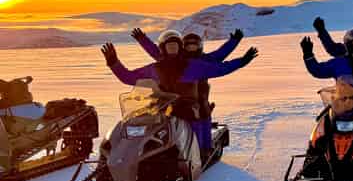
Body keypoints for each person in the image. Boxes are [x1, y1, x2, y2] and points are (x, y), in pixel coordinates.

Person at [101, 30, 258, 160]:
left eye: (175, 47)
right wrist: (114, 62)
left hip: (188, 105)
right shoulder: (157, 67)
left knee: (195, 116)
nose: (172, 50)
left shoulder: (193, 66)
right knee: (148, 122)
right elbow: (128, 77)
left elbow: (221, 67)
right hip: (163, 104)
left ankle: (199, 151)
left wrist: (242, 60)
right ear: (163, 48)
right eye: (169, 47)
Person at [131, 27, 245, 153]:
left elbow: (221, 54)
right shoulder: (178, 59)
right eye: (188, 46)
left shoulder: (204, 59)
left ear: (199, 46)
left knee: (202, 112)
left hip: (199, 96)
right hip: (175, 97)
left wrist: (234, 41)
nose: (191, 49)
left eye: (194, 46)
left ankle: (204, 148)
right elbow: (156, 52)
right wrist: (142, 40)